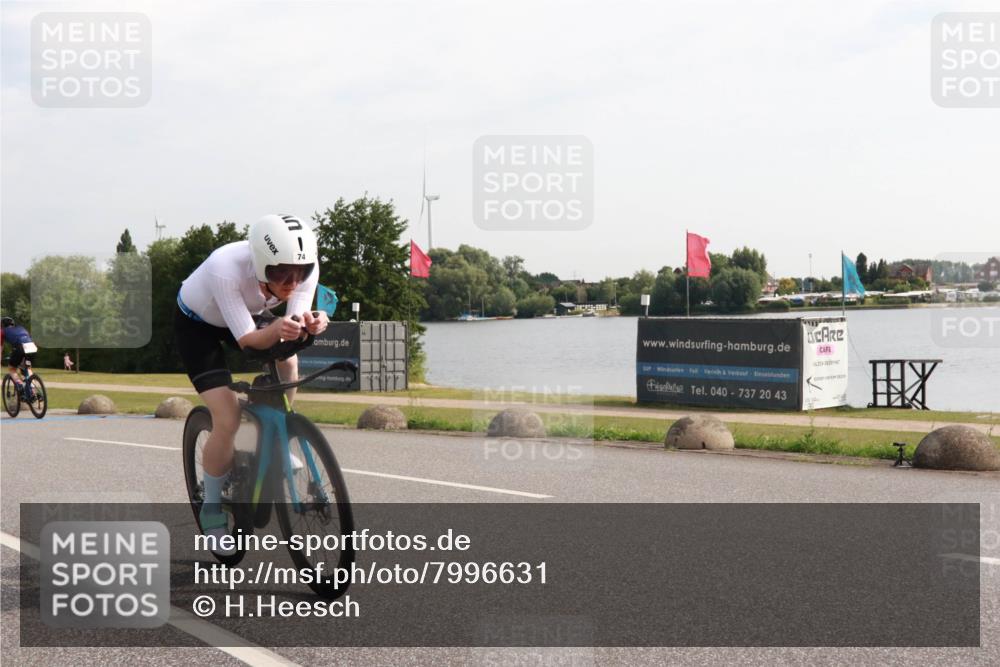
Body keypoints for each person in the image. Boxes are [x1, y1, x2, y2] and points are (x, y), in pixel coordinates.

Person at [174, 214, 328, 549]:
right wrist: (276, 329)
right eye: (279, 273)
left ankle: (279, 437)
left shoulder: (305, 268)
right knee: (226, 417)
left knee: (289, 359)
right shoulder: (224, 267)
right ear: (260, 263)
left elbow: (295, 320)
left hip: (246, 312)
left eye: (298, 273)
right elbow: (246, 340)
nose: (291, 283)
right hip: (198, 325)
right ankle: (212, 510)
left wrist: (312, 323)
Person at [1, 316, 37, 392]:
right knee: (27, 368)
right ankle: (33, 391)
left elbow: (0, 348)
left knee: (12, 368)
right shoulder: (21, 328)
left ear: (2, 325)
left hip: (20, 347)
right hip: (32, 346)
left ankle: (19, 384)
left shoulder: (2, 331)